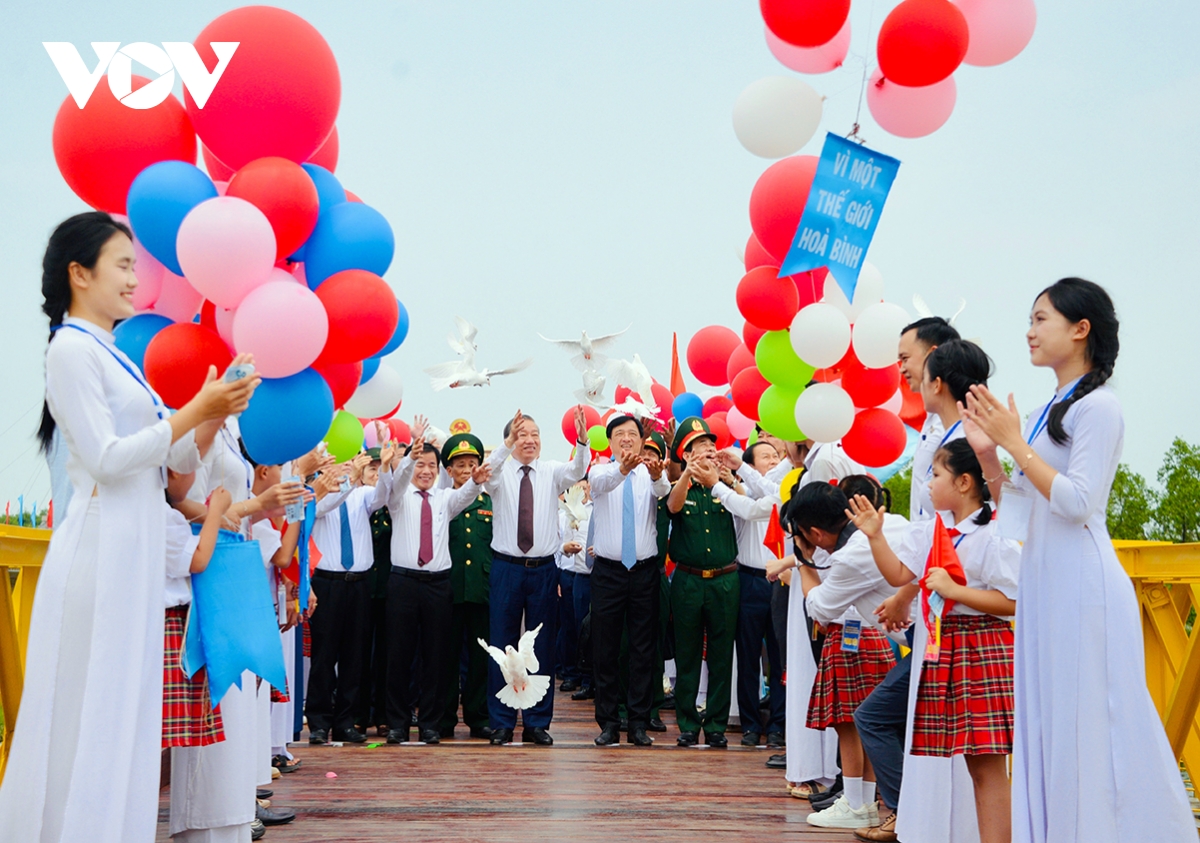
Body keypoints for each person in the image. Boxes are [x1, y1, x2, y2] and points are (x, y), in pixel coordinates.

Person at [0, 212, 256, 843]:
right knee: (92, 713)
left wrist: (210, 410)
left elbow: (170, 465)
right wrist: (194, 411)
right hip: (101, 553)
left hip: (133, 552)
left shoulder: (112, 355)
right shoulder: (70, 350)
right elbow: (109, 458)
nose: (134, 278)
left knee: (124, 719)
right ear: (78, 273)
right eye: (121, 264)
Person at [960, 277, 1196, 843]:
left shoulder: (1101, 407)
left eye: (1041, 318)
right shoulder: (1045, 410)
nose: (1030, 330)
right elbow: (1014, 510)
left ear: (1080, 328)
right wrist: (992, 456)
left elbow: (1077, 502)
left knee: (1093, 722)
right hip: (1044, 577)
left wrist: (1014, 445)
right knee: (1049, 719)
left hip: (1083, 580)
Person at [853, 335, 989, 843]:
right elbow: (928, 541)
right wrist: (909, 590)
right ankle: (921, 820)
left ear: (936, 372)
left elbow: (966, 546)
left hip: (964, 624)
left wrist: (913, 589)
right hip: (935, 610)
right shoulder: (939, 431)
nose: (901, 369)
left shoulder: (969, 442)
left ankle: (929, 822)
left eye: (908, 358)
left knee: (973, 751)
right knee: (945, 741)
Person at [850, 438, 1021, 843]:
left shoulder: (993, 535)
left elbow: (1015, 600)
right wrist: (875, 535)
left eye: (936, 474)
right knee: (968, 764)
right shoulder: (931, 531)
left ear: (964, 483)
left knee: (987, 765)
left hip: (983, 646)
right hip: (947, 650)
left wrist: (956, 591)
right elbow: (897, 575)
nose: (928, 483)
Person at [780, 481, 907, 830]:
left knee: (857, 721)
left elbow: (819, 608)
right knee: (867, 719)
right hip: (907, 636)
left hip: (856, 637)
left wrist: (803, 563)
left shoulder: (851, 555)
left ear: (815, 533)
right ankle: (868, 803)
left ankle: (889, 806)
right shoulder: (891, 523)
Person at [482, 408, 590, 745]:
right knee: (501, 645)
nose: (530, 440)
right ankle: (501, 721)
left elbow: (577, 470)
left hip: (544, 569)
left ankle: (536, 722)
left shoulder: (551, 472)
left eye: (535, 434)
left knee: (542, 647)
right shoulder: (500, 473)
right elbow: (486, 476)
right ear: (511, 439)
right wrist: (505, 444)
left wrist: (582, 440)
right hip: (506, 568)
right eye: (522, 434)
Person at [385, 416, 491, 744]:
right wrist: (410, 453)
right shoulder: (398, 498)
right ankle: (398, 724)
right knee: (399, 656)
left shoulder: (446, 499)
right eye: (420, 465)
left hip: (437, 585)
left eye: (431, 465)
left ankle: (431, 724)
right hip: (403, 582)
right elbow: (399, 479)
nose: (426, 471)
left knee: (436, 657)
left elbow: (468, 493)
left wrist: (475, 479)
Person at [587, 415, 670, 747]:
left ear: (641, 440)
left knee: (642, 648)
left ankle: (638, 721)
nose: (625, 439)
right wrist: (622, 468)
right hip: (608, 572)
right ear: (610, 441)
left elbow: (664, 493)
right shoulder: (600, 471)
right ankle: (608, 722)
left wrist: (658, 474)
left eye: (631, 434)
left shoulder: (649, 473)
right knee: (605, 648)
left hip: (645, 572)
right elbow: (601, 485)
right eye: (619, 434)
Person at [307, 447, 393, 745]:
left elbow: (382, 496)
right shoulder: (317, 495)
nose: (347, 470)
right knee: (324, 655)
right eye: (341, 465)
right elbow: (324, 507)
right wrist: (347, 480)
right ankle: (319, 721)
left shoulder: (361, 496)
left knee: (354, 656)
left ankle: (346, 721)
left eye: (350, 465)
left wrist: (388, 468)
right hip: (327, 583)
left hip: (359, 583)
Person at [665, 417, 740, 748]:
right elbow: (672, 506)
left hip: (725, 579)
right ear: (686, 453)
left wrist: (727, 479)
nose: (709, 449)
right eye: (700, 446)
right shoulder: (683, 485)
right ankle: (687, 723)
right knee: (688, 653)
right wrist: (686, 473)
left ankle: (716, 726)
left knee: (722, 656)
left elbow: (749, 507)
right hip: (688, 581)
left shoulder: (727, 485)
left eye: (711, 444)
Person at [715, 440, 787, 749]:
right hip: (749, 580)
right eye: (766, 456)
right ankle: (750, 723)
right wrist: (729, 480)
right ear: (750, 465)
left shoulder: (783, 495)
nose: (773, 461)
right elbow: (745, 501)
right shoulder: (740, 494)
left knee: (780, 658)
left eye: (776, 455)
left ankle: (778, 725)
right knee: (747, 657)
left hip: (781, 581)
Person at [162, 472, 230, 752]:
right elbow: (198, 558)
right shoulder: (160, 514)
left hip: (159, 620)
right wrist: (215, 509)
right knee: (156, 731)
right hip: (166, 622)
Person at [438, 429, 496, 740]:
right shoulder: (442, 501)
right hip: (448, 588)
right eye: (459, 465)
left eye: (471, 463)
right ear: (448, 471)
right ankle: (444, 717)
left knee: (479, 658)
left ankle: (478, 716)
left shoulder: (490, 501)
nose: (465, 470)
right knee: (445, 657)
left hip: (480, 589)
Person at [556, 479, 593, 699]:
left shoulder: (597, 509)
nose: (582, 490)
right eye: (577, 486)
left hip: (595, 575)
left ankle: (591, 678)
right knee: (571, 625)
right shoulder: (565, 513)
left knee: (591, 627)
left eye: (585, 486)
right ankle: (572, 673)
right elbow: (557, 545)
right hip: (570, 573)